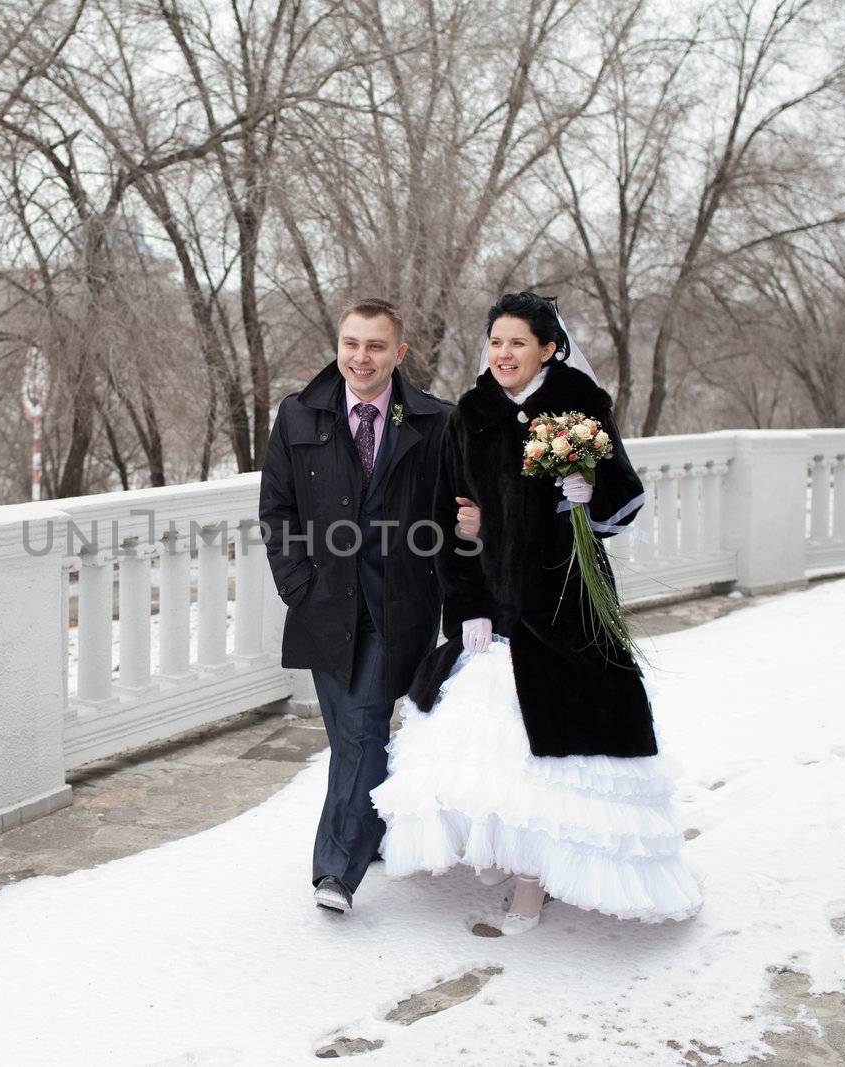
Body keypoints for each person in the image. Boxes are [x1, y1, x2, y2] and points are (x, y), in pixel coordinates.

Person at [370, 292, 702, 933]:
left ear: (549, 348)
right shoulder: (473, 413)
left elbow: (622, 494)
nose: (503, 354)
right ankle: (508, 848)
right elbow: (449, 516)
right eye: (495, 342)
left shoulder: (580, 405)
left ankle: (535, 877)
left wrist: (587, 494)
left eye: (517, 343)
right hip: (496, 602)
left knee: (560, 739)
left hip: (569, 601)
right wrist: (466, 603)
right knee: (498, 743)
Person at [259, 298, 454, 914]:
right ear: (337, 345)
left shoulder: (435, 422)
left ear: (399, 353)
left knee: (365, 725)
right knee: (352, 736)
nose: (360, 357)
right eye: (350, 344)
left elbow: (456, 511)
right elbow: (278, 511)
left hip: (397, 606)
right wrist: (298, 585)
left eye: (375, 346)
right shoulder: (298, 416)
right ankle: (373, 827)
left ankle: (335, 872)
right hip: (326, 606)